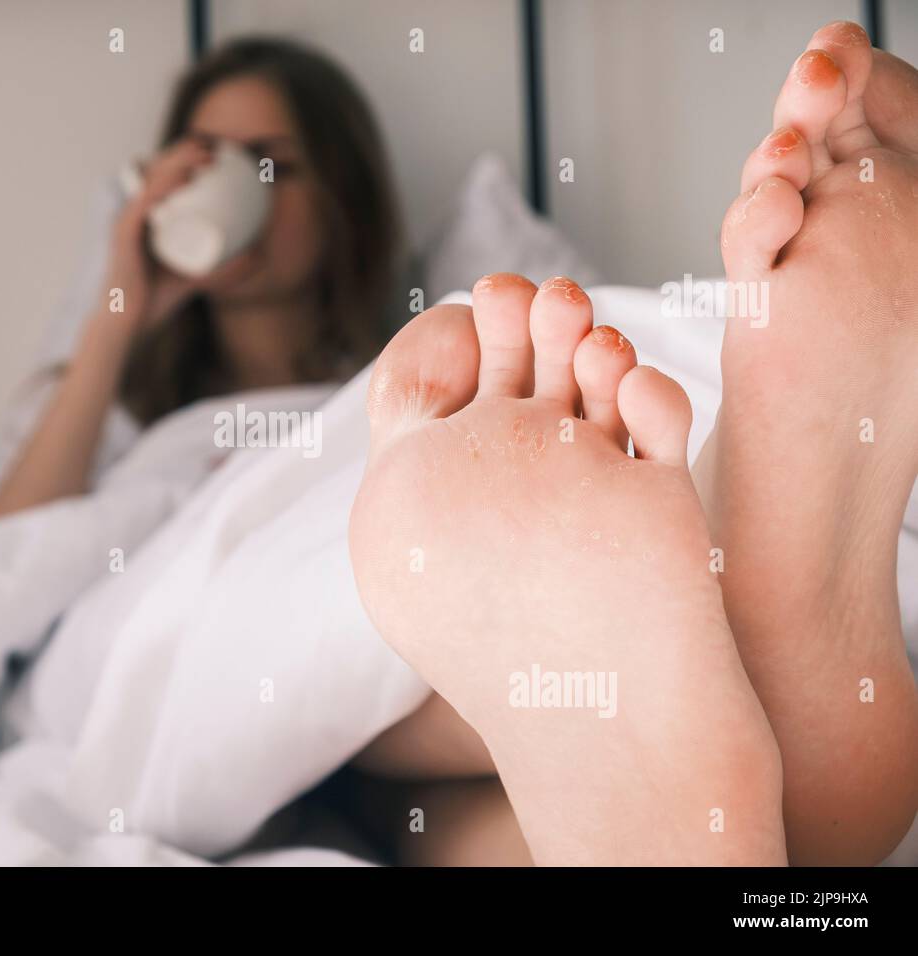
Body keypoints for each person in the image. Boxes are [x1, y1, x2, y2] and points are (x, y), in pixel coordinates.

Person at [348, 20, 918, 865]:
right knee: (373, 781)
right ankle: (757, 714)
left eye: (269, 162)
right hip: (260, 479)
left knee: (360, 772)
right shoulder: (157, 437)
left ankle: (683, 696)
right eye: (197, 152)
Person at [0, 37, 401, 520]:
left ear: (342, 197)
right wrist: (119, 320)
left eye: (271, 167)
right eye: (207, 165)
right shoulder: (119, 402)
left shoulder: (387, 391)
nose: (238, 189)